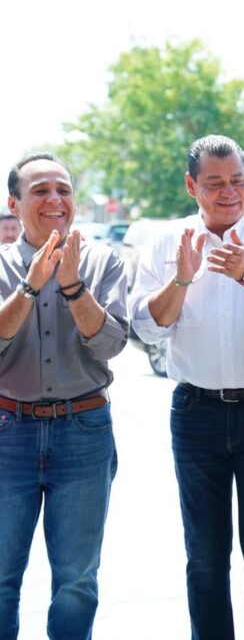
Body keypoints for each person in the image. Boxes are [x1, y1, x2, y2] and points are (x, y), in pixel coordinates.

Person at [128, 135, 244, 639]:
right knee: (206, 556)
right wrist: (183, 279)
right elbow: (147, 327)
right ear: (192, 185)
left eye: (237, 181)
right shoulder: (169, 244)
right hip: (196, 412)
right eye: (214, 184)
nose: (228, 192)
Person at [0, 153, 127, 639]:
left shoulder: (101, 261)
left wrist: (72, 286)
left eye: (64, 189)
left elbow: (113, 345)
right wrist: (29, 288)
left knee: (76, 581)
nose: (55, 199)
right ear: (15, 203)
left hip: (84, 432)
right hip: (9, 432)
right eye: (40, 190)